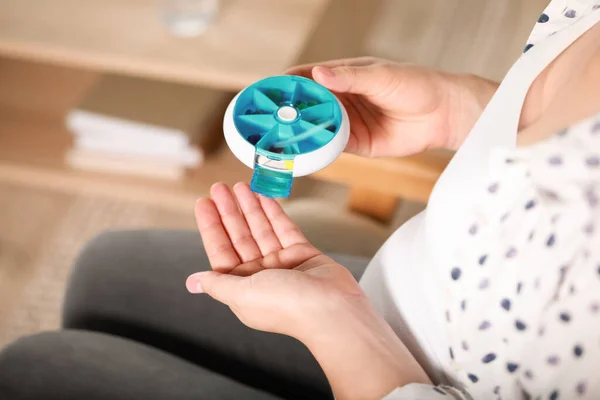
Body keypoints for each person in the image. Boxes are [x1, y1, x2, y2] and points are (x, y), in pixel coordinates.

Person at [0, 1, 599, 399]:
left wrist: (335, 325)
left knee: (37, 369)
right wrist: (469, 111)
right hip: (422, 304)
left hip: (393, 378)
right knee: (107, 268)